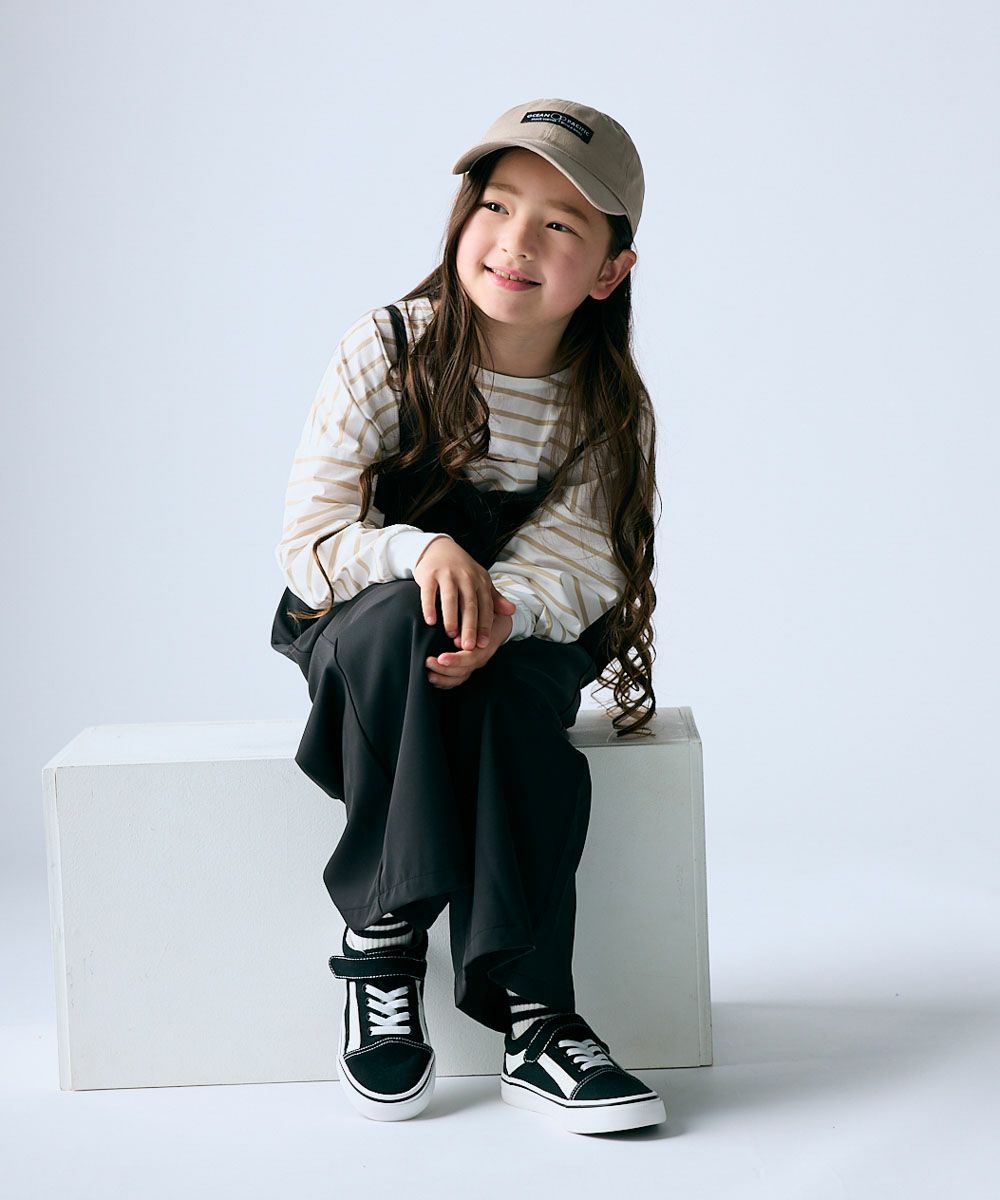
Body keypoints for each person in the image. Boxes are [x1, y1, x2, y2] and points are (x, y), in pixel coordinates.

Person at [269, 98, 662, 1134]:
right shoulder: (387, 347)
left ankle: (536, 1018)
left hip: (519, 630)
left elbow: (584, 562)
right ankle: (383, 938)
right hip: (366, 625)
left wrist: (501, 615)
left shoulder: (604, 406)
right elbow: (312, 536)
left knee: (514, 707)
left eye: (559, 224)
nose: (515, 241)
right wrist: (421, 553)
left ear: (610, 270)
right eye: (496, 205)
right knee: (402, 624)